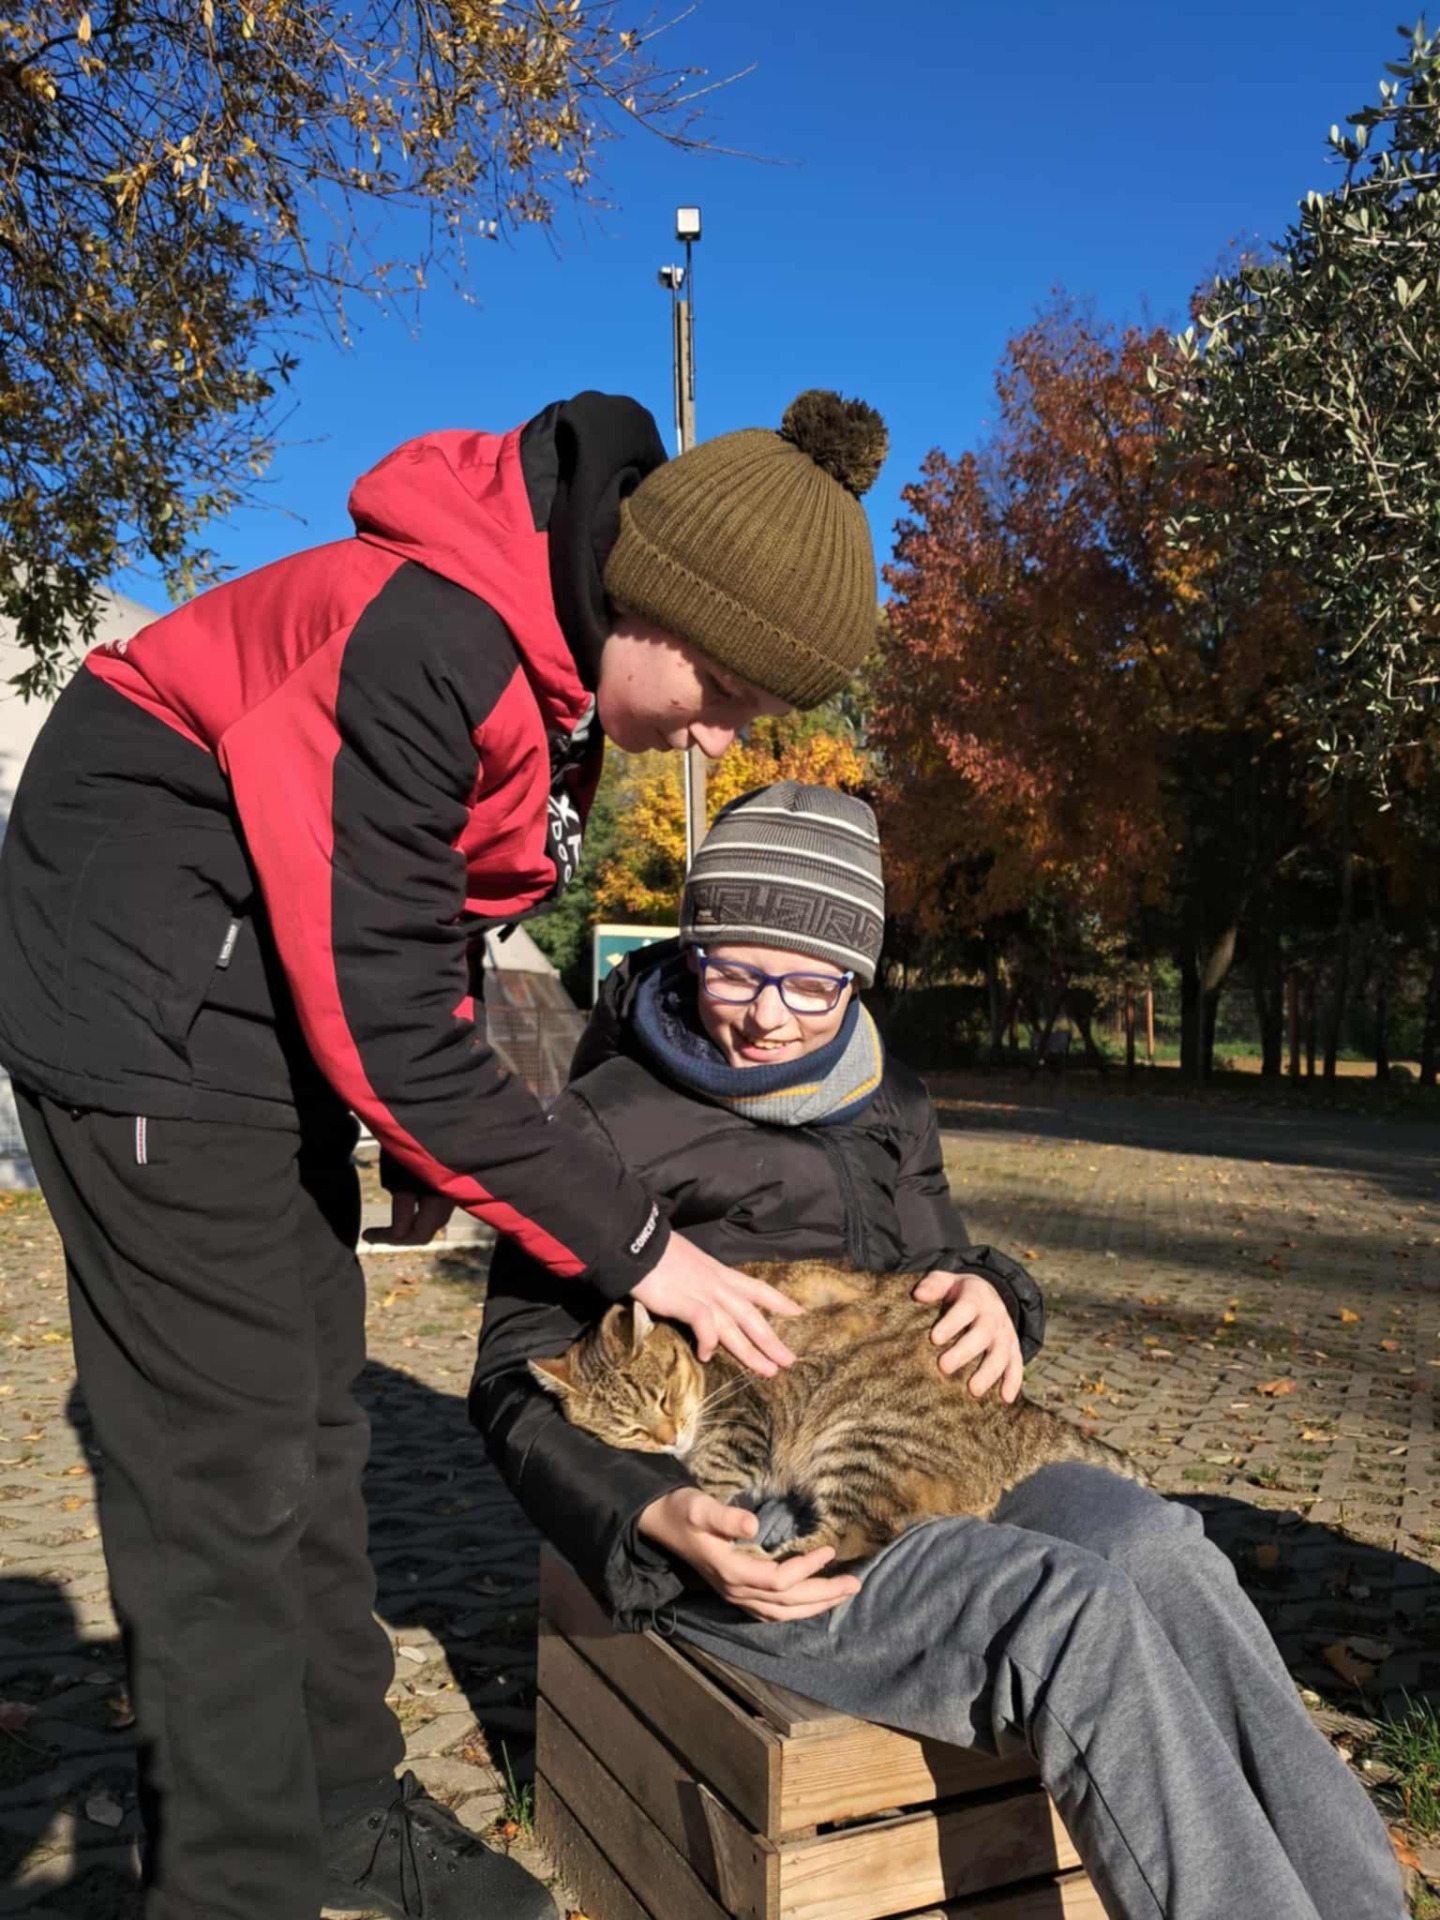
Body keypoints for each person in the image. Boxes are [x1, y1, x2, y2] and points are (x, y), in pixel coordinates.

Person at [0, 391, 888, 1920]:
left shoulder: (554, 670)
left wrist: (433, 1132)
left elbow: (430, 917)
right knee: (222, 1473)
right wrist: (646, 1250)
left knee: (318, 1426)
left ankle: (345, 1811)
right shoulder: (434, 633)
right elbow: (391, 1020)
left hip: (254, 989)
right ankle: (236, 1884)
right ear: (659, 599)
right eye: (728, 692)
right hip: (143, 989)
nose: (724, 738)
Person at [473, 781, 1407, 1920]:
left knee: (1169, 1552)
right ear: (691, 944)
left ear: (859, 977)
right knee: (1071, 1613)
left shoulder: (887, 1096)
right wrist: (642, 1516)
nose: (767, 1015)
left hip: (929, 1443)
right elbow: (512, 1374)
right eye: (734, 969)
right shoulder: (602, 1120)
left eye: (812, 983)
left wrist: (1001, 1292)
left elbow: (942, 1264)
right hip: (748, 1512)